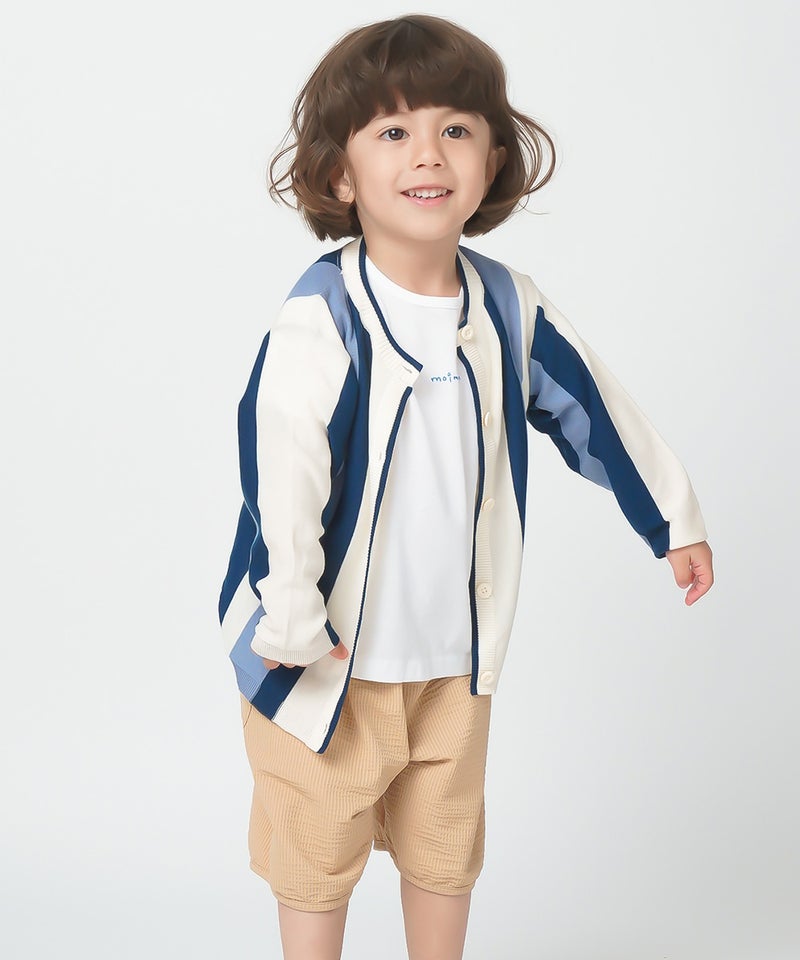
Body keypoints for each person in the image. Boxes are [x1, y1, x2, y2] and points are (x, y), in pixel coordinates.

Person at [219, 13, 714, 960]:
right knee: (315, 854)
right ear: (339, 174)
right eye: (392, 131)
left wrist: (671, 521)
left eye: (455, 128)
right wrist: (288, 612)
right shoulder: (323, 316)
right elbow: (281, 471)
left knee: (445, 853)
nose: (428, 153)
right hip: (320, 658)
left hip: (454, 660)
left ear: (492, 161)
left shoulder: (508, 306)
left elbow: (595, 409)